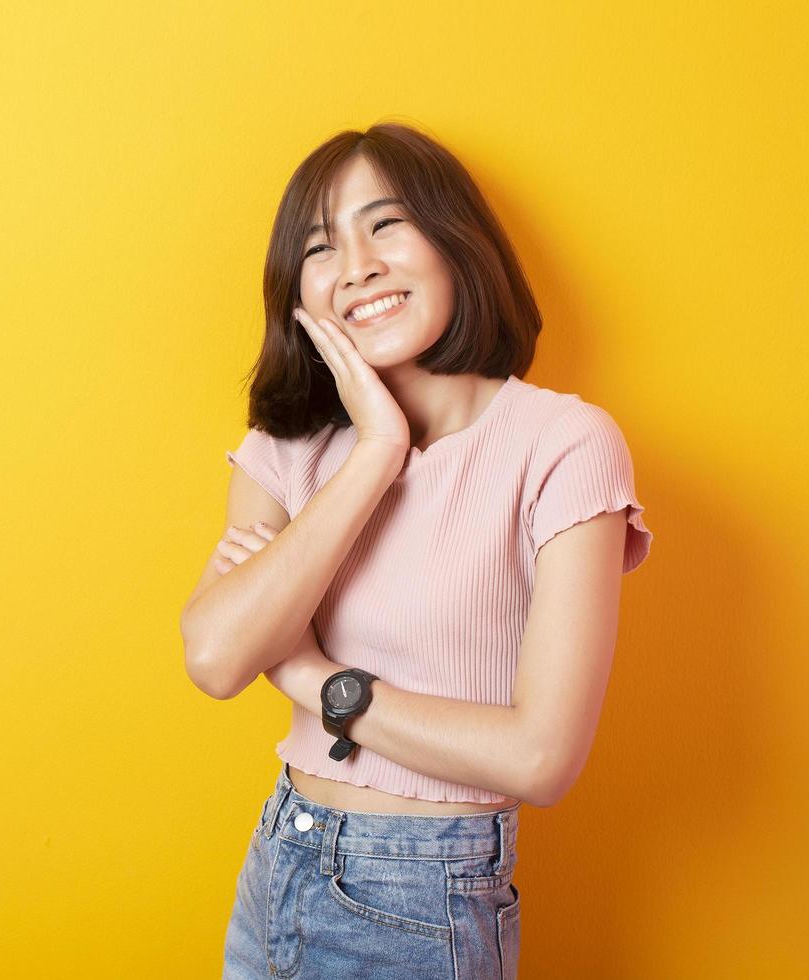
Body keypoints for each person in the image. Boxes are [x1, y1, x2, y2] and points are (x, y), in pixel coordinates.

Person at [177, 122, 654, 979]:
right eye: (321, 245)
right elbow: (214, 659)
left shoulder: (562, 444)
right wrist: (374, 451)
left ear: (455, 242)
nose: (355, 263)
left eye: (385, 223)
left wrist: (305, 677)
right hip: (278, 861)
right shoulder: (290, 445)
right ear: (297, 291)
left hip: (424, 894)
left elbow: (539, 758)